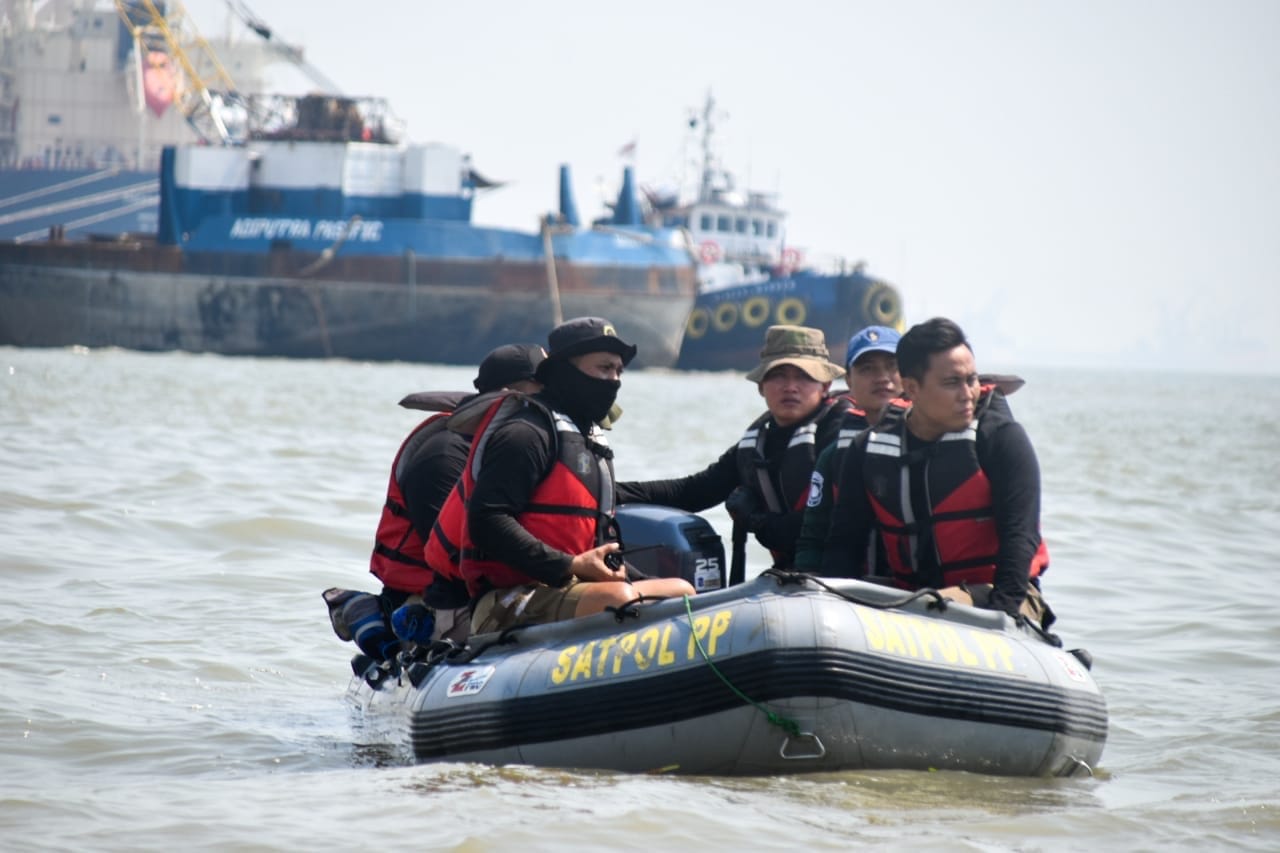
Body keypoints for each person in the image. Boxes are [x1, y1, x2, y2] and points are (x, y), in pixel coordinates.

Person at [460, 317, 695, 634]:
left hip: (577, 587)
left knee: (682, 590)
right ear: (564, 371)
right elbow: (486, 521)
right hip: (508, 599)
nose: (613, 380)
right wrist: (569, 565)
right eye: (603, 368)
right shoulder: (526, 433)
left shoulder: (588, 442)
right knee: (620, 597)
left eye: (618, 371)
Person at [818, 317, 1053, 627]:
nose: (968, 393)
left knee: (928, 605)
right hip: (912, 598)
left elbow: (1019, 538)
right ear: (911, 387)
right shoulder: (866, 450)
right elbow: (844, 545)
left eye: (970, 379)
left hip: (1005, 595)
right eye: (952, 383)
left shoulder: (1001, 438)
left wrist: (1002, 621)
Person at [324, 344, 545, 662]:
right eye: (542, 391)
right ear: (511, 394)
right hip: (435, 604)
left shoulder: (508, 449)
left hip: (492, 589)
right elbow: (460, 559)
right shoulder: (445, 454)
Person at [618, 324, 851, 575]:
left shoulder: (842, 430)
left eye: (804, 376)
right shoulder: (757, 444)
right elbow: (693, 491)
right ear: (761, 385)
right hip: (794, 576)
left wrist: (759, 522)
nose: (790, 386)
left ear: (825, 385)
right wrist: (611, 491)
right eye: (779, 375)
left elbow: (833, 520)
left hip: (845, 576)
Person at [793, 325, 904, 572]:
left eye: (892, 366)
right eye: (868, 369)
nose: (882, 377)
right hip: (855, 593)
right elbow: (812, 539)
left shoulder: (929, 444)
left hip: (919, 593)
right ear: (849, 381)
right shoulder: (833, 456)